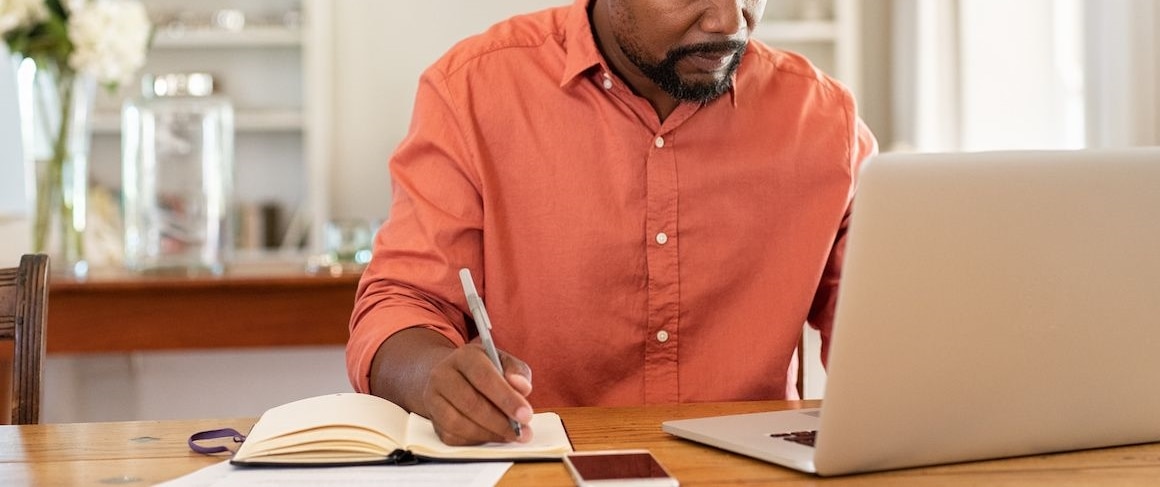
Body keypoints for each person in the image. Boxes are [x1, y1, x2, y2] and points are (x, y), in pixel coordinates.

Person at [347, 0, 877, 447]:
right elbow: (399, 303)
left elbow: (888, 338)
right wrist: (434, 377)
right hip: (540, 469)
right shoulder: (472, 91)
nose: (728, 21)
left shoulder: (826, 123)